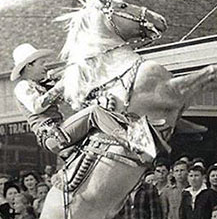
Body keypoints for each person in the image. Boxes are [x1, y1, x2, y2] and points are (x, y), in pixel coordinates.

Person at [11, 43, 143, 156]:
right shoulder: (22, 86)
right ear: (29, 66)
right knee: (94, 112)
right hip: (53, 134)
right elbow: (37, 106)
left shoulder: (41, 86)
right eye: (41, 63)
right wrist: (59, 86)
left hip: (60, 131)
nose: (45, 67)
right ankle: (130, 141)